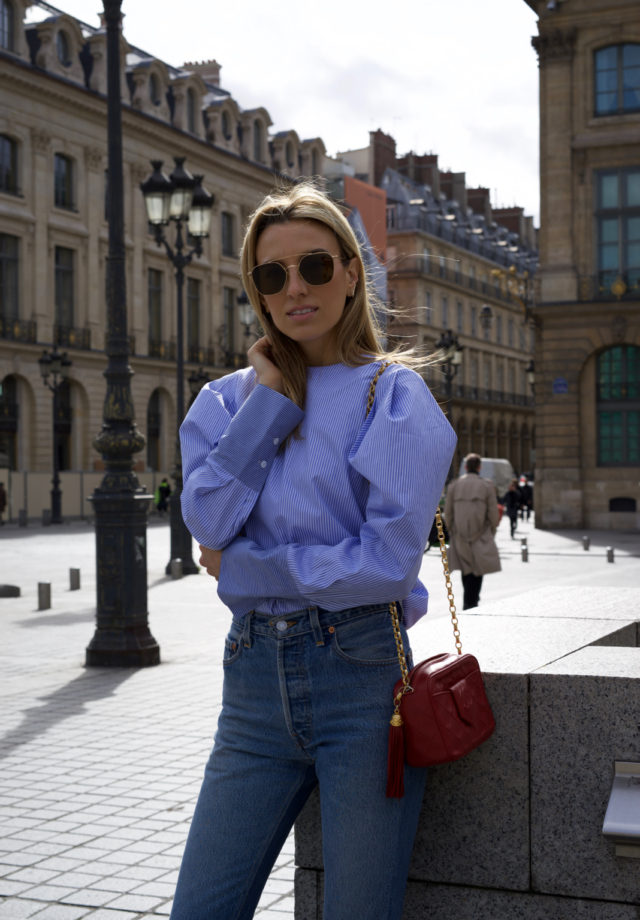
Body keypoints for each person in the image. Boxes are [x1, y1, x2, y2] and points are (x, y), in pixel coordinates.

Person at [170, 182, 457, 920]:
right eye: (273, 275)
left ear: (352, 273)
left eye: (316, 267)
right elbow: (208, 518)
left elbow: (385, 565)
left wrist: (248, 567)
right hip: (252, 684)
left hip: (364, 683)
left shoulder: (394, 396)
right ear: (258, 291)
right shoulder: (227, 401)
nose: (295, 287)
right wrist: (270, 401)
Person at [444, 453, 501, 610]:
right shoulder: (487, 486)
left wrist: (452, 531)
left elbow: (448, 514)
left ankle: (469, 601)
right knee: (478, 569)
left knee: (466, 569)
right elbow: (493, 514)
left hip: (459, 536)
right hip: (480, 534)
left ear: (466, 467)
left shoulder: (454, 486)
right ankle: (472, 601)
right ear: (479, 467)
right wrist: (491, 532)